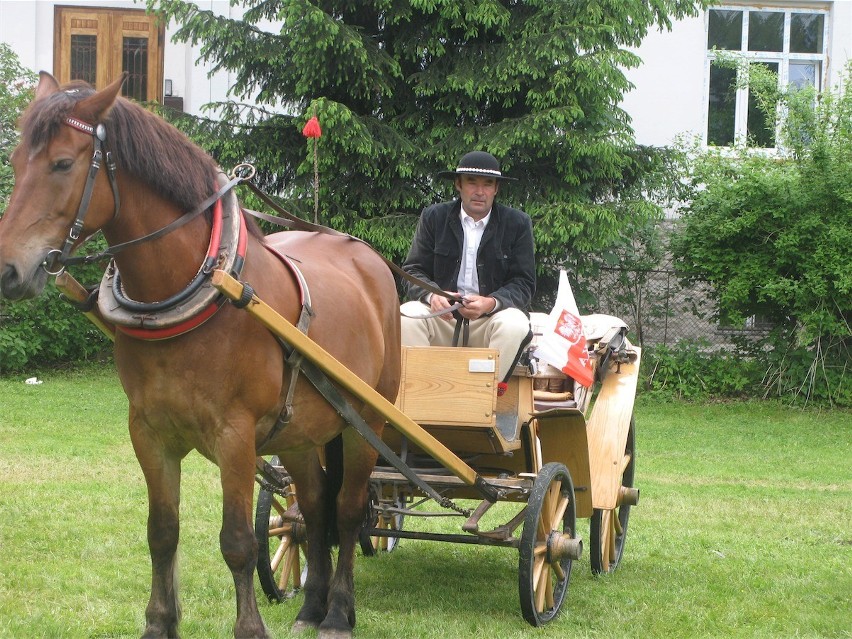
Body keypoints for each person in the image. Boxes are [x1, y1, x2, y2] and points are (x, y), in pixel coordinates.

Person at [400, 151, 536, 395]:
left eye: (488, 184)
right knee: (406, 315)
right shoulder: (434, 217)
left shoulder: (517, 223)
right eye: (472, 182)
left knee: (515, 324)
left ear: (496, 189)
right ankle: (421, 394)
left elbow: (523, 283)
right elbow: (412, 270)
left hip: (489, 322)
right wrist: (433, 296)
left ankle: (483, 398)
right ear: (458, 184)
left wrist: (491, 302)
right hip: (442, 318)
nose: (480, 191)